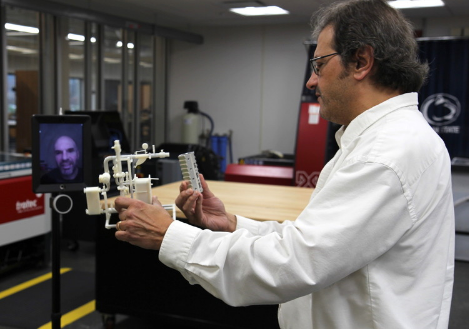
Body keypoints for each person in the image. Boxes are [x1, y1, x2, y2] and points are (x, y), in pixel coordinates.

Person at [114, 0, 455, 328]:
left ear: (361, 61)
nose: (311, 81)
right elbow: (310, 241)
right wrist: (233, 224)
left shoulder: (386, 153)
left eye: (319, 65)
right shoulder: (386, 140)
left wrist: (168, 234)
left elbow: (293, 263)